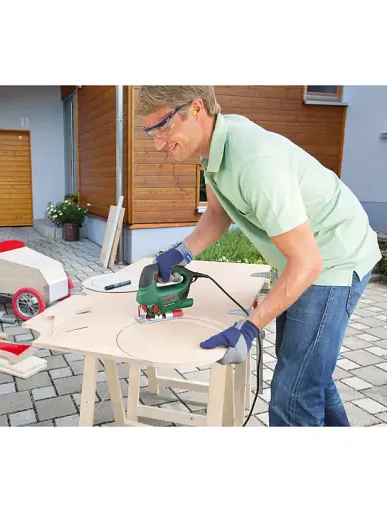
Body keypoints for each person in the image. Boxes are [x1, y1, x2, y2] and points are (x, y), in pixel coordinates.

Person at [135, 86, 382, 427]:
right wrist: (182, 252)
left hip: (333, 259)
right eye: (151, 132)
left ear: (196, 109)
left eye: (163, 126)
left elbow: (308, 262)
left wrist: (250, 328)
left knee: (293, 394)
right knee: (308, 372)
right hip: (306, 257)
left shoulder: (254, 162)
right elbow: (219, 213)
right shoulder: (214, 147)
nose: (158, 143)